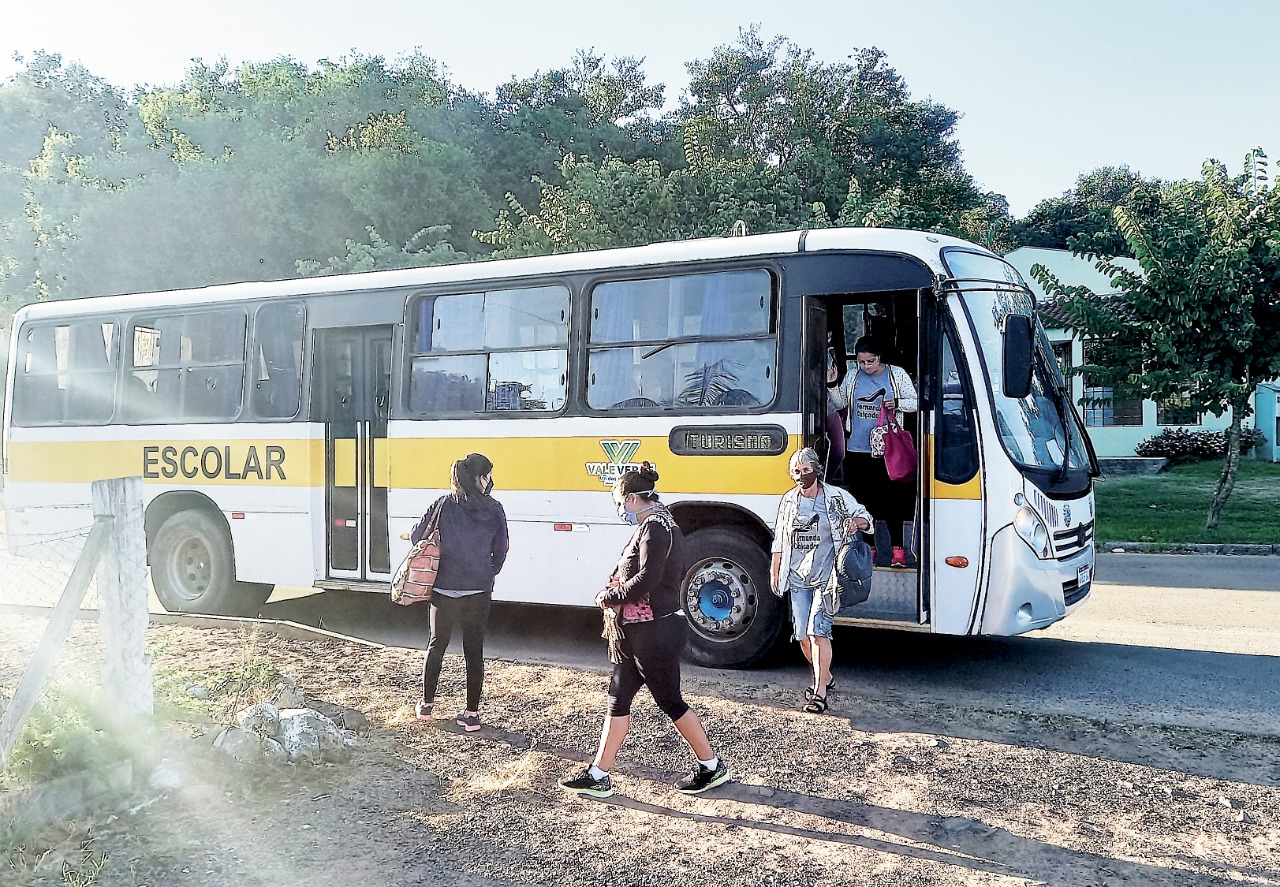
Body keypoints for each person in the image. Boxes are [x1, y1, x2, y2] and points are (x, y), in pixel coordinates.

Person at [558, 463, 730, 798]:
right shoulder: (660, 523)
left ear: (633, 498)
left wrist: (610, 597)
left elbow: (648, 578)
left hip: (654, 630)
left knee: (670, 701)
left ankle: (712, 767)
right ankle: (598, 774)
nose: (619, 509)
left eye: (619, 502)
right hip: (643, 630)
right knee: (618, 698)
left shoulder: (655, 527)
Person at [409, 453, 509, 732]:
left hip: (443, 588)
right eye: (489, 476)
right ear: (480, 478)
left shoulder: (443, 504)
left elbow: (417, 536)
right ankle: (471, 715)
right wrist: (488, 572)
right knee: (474, 651)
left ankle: (426, 705)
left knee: (436, 645)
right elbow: (502, 549)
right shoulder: (495, 509)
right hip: (478, 590)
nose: (491, 481)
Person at [770, 448, 872, 715]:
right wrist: (775, 571)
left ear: (817, 470)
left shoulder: (836, 497)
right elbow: (780, 539)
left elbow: (866, 518)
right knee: (802, 636)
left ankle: (819, 693)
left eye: (806, 470)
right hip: (798, 577)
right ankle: (825, 675)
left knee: (818, 631)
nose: (801, 476)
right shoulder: (789, 501)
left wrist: (855, 522)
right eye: (796, 471)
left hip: (827, 579)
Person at [827, 334, 918, 567]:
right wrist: (832, 384)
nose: (866, 366)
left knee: (892, 500)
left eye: (871, 361)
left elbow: (916, 402)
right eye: (861, 362)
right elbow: (840, 404)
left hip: (888, 450)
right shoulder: (853, 376)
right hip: (857, 449)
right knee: (863, 502)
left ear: (880, 357)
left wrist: (898, 403)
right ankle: (870, 550)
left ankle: (898, 551)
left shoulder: (897, 374)